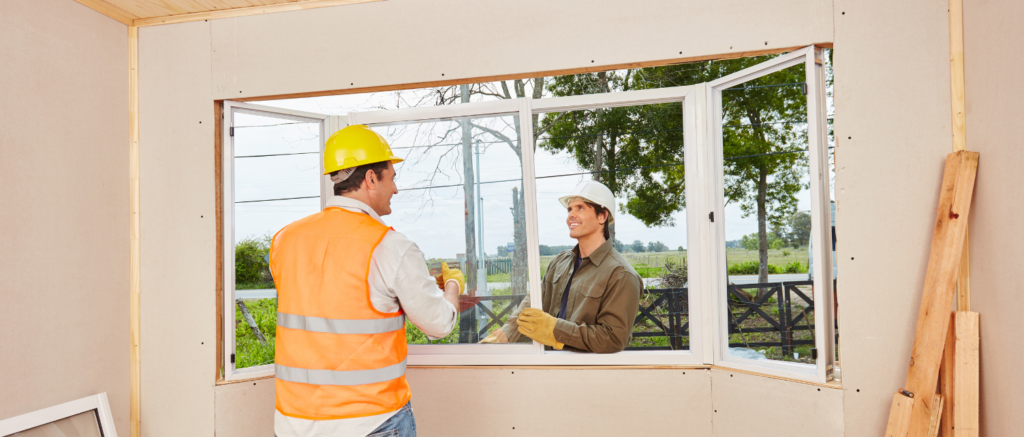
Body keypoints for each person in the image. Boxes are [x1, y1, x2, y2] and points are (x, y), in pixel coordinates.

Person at [270, 125, 464, 437]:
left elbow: (331, 299)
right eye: (393, 177)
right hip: (370, 422)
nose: (396, 189)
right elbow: (439, 324)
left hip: (294, 423)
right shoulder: (390, 246)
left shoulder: (285, 240)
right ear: (372, 178)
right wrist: (453, 285)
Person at [480, 180, 642, 353]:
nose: (571, 215)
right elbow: (534, 301)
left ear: (602, 216)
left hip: (586, 372)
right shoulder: (560, 261)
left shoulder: (621, 274)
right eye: (569, 209)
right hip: (547, 362)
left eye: (580, 208)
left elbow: (613, 339)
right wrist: (505, 334)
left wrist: (555, 330)